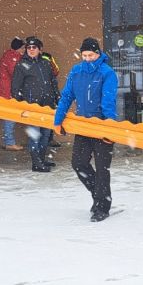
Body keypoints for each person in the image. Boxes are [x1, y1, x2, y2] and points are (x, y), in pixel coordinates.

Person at [53, 37, 118, 222]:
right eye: (84, 55)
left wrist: (109, 130)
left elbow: (108, 102)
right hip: (83, 126)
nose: (87, 58)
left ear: (98, 54)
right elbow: (66, 96)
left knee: (102, 168)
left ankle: (102, 207)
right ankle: (98, 196)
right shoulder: (77, 71)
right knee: (79, 163)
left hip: (102, 126)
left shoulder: (107, 73)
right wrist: (58, 120)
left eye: (91, 55)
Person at [11, 36, 59, 172]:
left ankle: (41, 159)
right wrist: (21, 105)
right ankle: (36, 163)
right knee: (35, 135)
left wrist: (57, 97)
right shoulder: (21, 65)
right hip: (31, 106)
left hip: (47, 105)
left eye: (34, 47)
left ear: (40, 49)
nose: (31, 50)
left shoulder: (45, 63)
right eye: (29, 48)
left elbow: (52, 82)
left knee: (45, 135)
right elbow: (15, 88)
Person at [0, 37, 25, 150]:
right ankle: (9, 142)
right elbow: (15, 74)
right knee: (10, 116)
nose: (24, 50)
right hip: (7, 92)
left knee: (9, 116)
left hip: (5, 90)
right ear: (19, 48)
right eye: (23, 47)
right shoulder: (13, 58)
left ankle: (9, 141)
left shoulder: (9, 55)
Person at [41, 50, 62, 148]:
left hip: (41, 95)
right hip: (48, 94)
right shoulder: (47, 57)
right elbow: (56, 70)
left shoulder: (30, 60)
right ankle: (48, 139)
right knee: (49, 117)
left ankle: (45, 140)